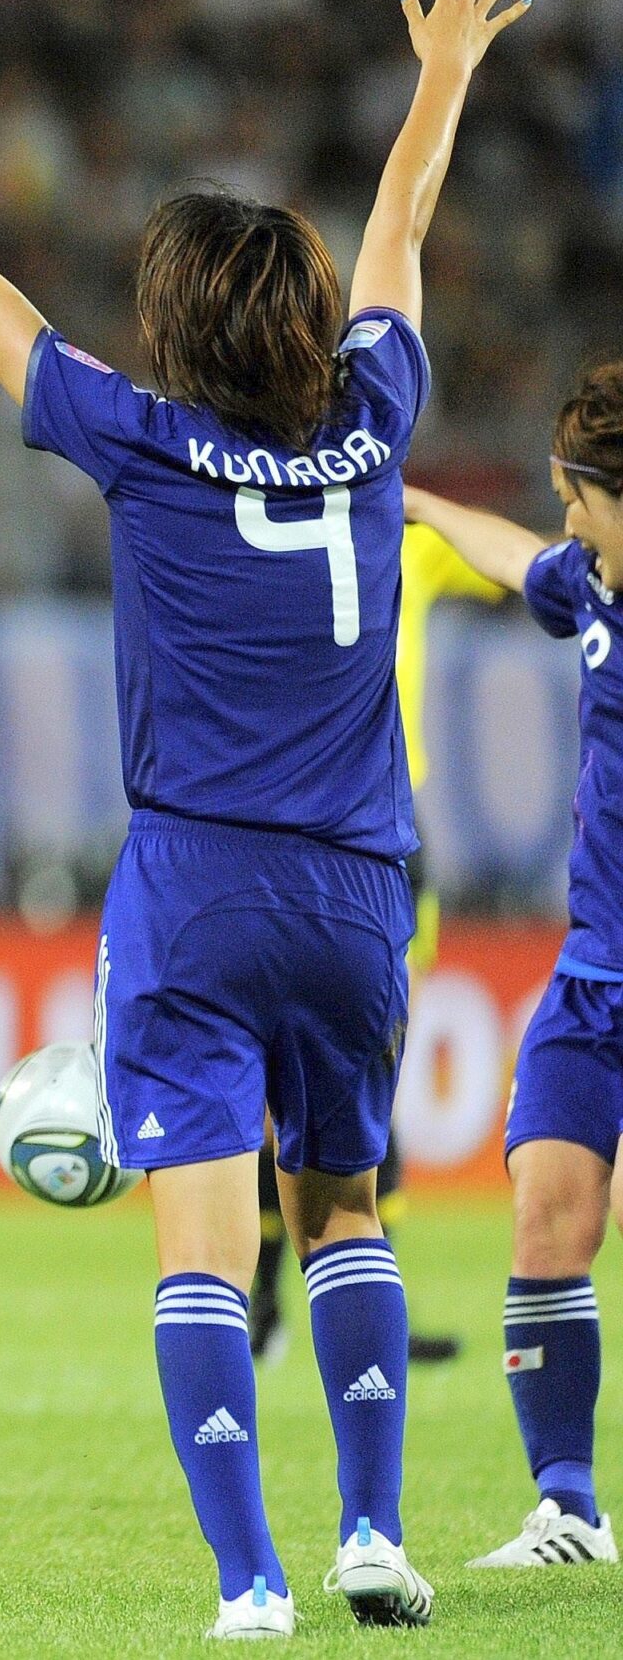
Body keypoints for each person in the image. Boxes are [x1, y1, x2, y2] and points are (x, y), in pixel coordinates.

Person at [0, 0, 526, 1636]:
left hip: (200, 885)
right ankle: (376, 1535)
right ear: (299, 321)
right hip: (368, 893)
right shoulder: (377, 427)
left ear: (176, 324)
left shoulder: (139, 438)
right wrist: (440, 75)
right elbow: (403, 236)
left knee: (204, 1251)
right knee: (347, 1207)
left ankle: (251, 1581)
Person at [399, 386, 623, 1571]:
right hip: (591, 975)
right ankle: (569, 1508)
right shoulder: (590, 586)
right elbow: (515, 559)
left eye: (579, 498)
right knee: (545, 1210)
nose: (566, 519)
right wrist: (422, 501)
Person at [249, 516, 497, 1368]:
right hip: (312, 817)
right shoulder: (274, 529)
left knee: (371, 1071)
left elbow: (524, 567)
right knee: (285, 1071)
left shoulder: (408, 536)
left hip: (392, 825)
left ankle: (356, 1297)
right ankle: (264, 1291)